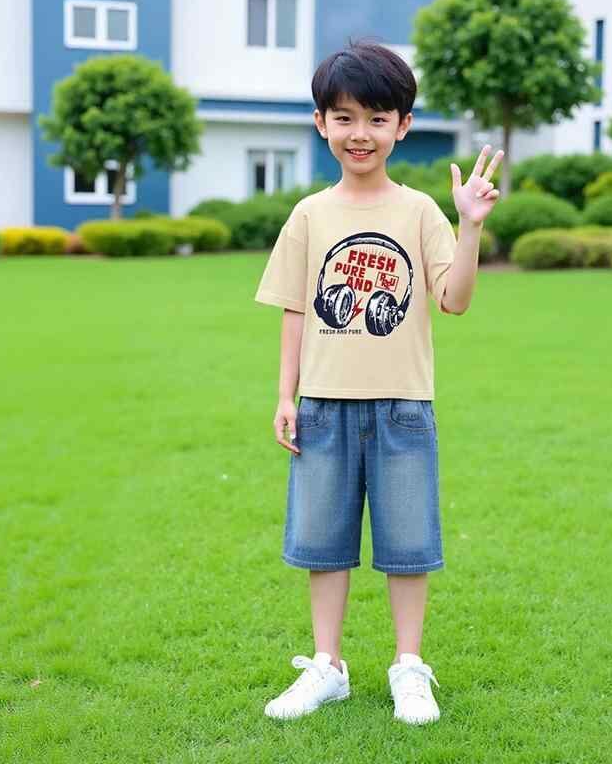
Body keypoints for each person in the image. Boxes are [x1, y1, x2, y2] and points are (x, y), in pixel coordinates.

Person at [254, 40, 503, 725]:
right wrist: (286, 395)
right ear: (320, 123)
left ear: (403, 125)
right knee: (322, 541)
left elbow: (454, 300)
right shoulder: (309, 214)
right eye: (343, 117)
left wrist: (469, 226)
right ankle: (327, 666)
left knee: (408, 544)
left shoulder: (419, 211)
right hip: (323, 406)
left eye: (376, 118)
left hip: (403, 407)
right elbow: (295, 309)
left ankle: (408, 667)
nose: (359, 132)